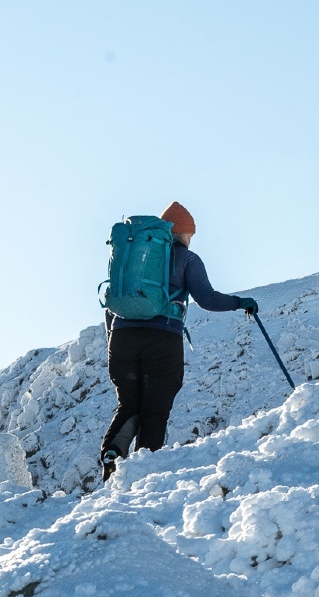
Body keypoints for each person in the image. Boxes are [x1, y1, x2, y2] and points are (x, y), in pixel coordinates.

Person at [99, 201, 257, 480]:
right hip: (162, 338)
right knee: (155, 407)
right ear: (183, 233)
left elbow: (112, 305)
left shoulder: (135, 256)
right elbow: (207, 299)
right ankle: (145, 475)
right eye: (190, 234)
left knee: (129, 403)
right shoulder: (187, 259)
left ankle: (112, 454)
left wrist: (117, 337)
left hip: (122, 339)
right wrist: (239, 302)